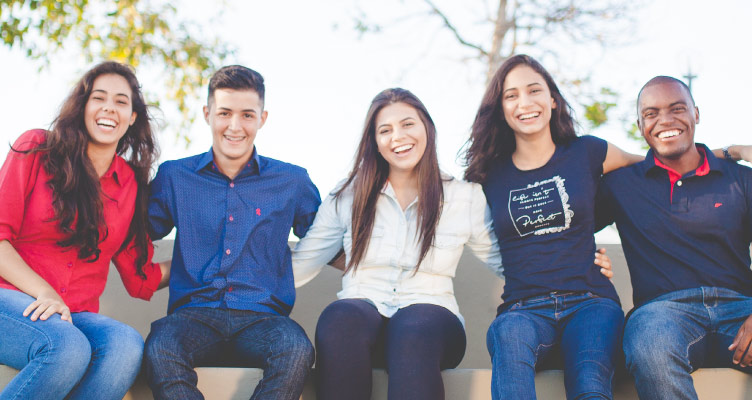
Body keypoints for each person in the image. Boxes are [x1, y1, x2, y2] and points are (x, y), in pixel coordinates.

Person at [291, 88, 612, 400]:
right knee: (340, 317)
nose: (398, 137)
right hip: (363, 320)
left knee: (412, 325)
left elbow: (511, 261)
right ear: (374, 142)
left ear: (427, 129)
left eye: (407, 124)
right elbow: (302, 263)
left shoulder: (463, 197)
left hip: (433, 323)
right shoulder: (348, 195)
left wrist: (579, 260)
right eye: (384, 130)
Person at [462, 54, 640, 400]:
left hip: (590, 301)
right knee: (508, 337)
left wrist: (726, 153)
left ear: (552, 99)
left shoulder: (587, 151)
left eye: (534, 90)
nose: (524, 103)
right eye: (511, 96)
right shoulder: (488, 174)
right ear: (500, 109)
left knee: (590, 381)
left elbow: (659, 166)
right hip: (522, 310)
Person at [144, 65, 321, 400]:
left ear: (262, 118)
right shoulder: (174, 177)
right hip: (192, 316)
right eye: (224, 113)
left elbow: (329, 242)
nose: (235, 126)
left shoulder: (293, 181)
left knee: (296, 349)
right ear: (208, 114)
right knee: (160, 347)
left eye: (247, 115)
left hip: (263, 318)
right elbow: (132, 235)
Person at [0, 61, 168, 400]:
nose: (109, 107)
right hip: (9, 299)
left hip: (73, 316)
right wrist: (45, 292)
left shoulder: (130, 185)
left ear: (133, 117)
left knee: (126, 346)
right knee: (68, 347)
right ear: (83, 107)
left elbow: (142, 278)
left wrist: (208, 262)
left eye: (121, 101)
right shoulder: (36, 148)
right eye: (99, 98)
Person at [595, 76, 752, 400]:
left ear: (696, 113)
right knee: (649, 345)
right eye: (651, 113)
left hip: (741, 308)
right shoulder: (621, 184)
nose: (665, 120)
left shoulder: (740, 178)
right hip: (662, 313)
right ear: (640, 125)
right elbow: (563, 222)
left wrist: (735, 150)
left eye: (676, 109)